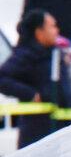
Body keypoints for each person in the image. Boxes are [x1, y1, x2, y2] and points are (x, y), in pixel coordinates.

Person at [0, 9, 60, 149]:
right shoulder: (27, 54)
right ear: (39, 32)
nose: (57, 30)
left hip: (55, 127)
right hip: (36, 132)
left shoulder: (53, 53)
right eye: (52, 26)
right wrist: (30, 94)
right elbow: (2, 78)